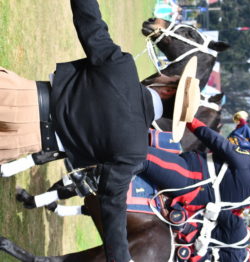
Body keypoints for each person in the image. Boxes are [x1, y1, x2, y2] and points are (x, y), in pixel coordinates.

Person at [0, 0, 158, 261]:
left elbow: (89, 21)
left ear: (165, 89)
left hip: (21, 94)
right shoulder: (135, 152)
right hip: (26, 141)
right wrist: (121, 258)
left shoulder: (123, 66)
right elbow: (113, 207)